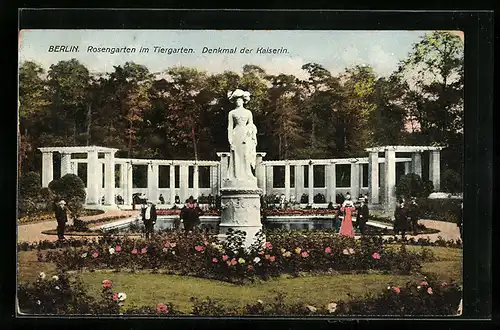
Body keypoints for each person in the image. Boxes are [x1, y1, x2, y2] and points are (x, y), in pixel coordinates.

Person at [226, 89, 258, 184]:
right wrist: (230, 140)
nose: (238, 102)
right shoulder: (231, 113)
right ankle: (235, 175)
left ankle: (247, 174)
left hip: (245, 135)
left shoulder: (248, 112)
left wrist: (249, 133)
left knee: (245, 155)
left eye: (240, 100)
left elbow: (251, 125)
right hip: (236, 135)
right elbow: (230, 127)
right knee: (236, 155)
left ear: (243, 101)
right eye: (236, 100)